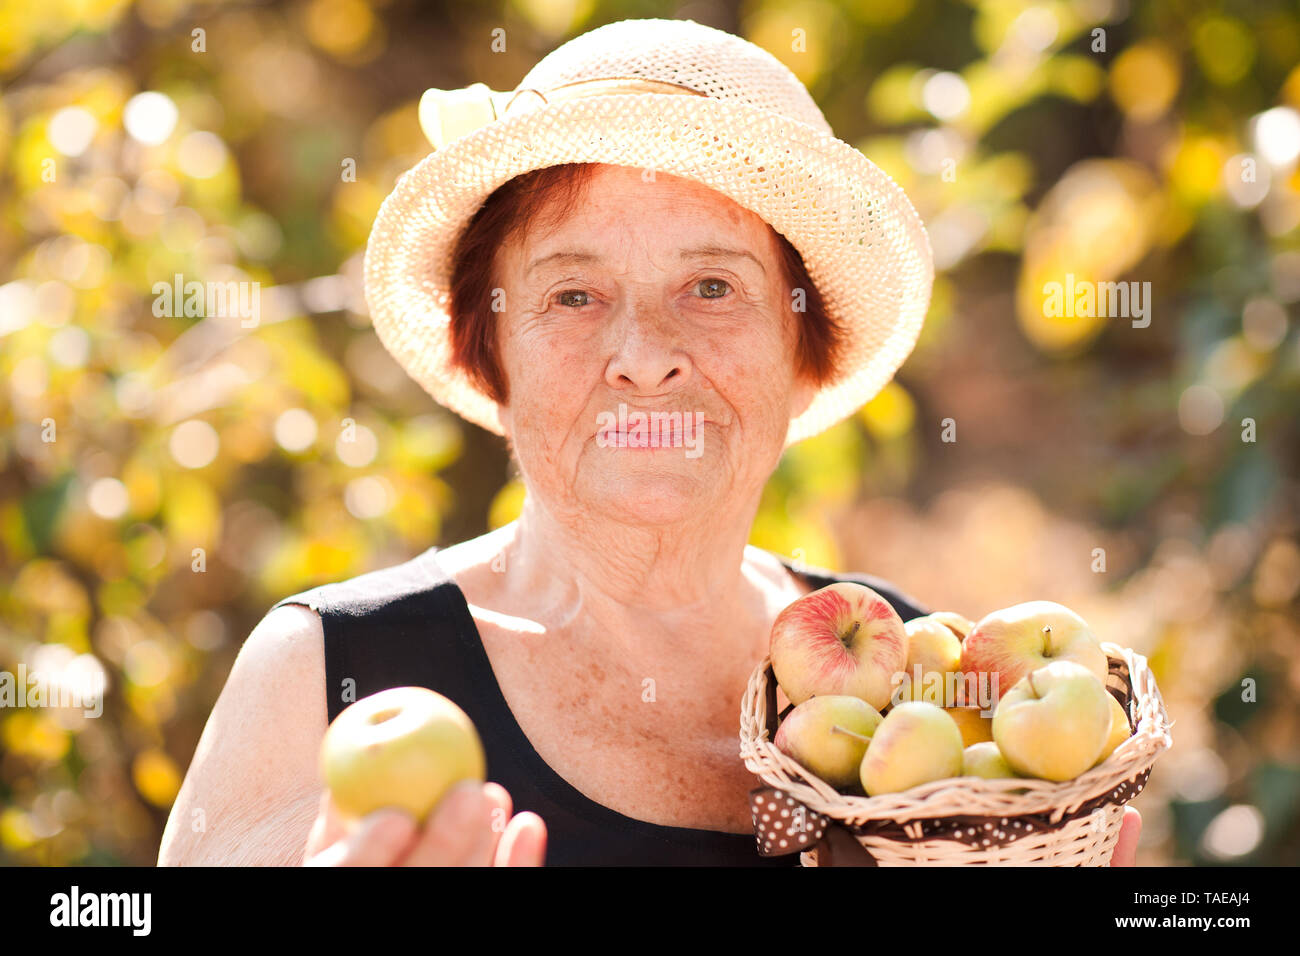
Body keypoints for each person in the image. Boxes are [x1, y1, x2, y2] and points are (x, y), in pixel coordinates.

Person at [158, 18, 1139, 867]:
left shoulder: (928, 689)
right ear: (488, 351)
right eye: (573, 295)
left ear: (805, 353)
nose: (643, 355)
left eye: (711, 287)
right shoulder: (333, 672)